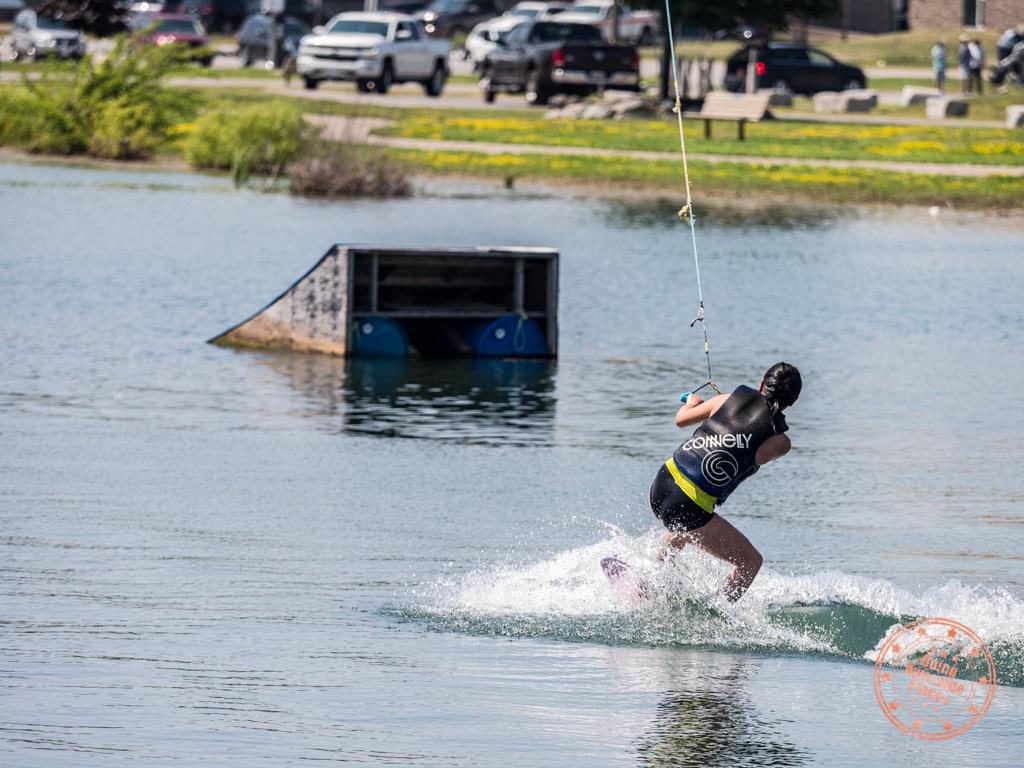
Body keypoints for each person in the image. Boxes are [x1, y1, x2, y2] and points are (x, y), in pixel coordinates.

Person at [650, 362, 802, 602]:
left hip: (662, 484)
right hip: (690, 506)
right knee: (751, 563)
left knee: (681, 529)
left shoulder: (725, 399)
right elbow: (755, 455)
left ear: (762, 384)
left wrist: (693, 401)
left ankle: (652, 581)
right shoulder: (780, 442)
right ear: (793, 402)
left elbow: (681, 420)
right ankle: (715, 614)